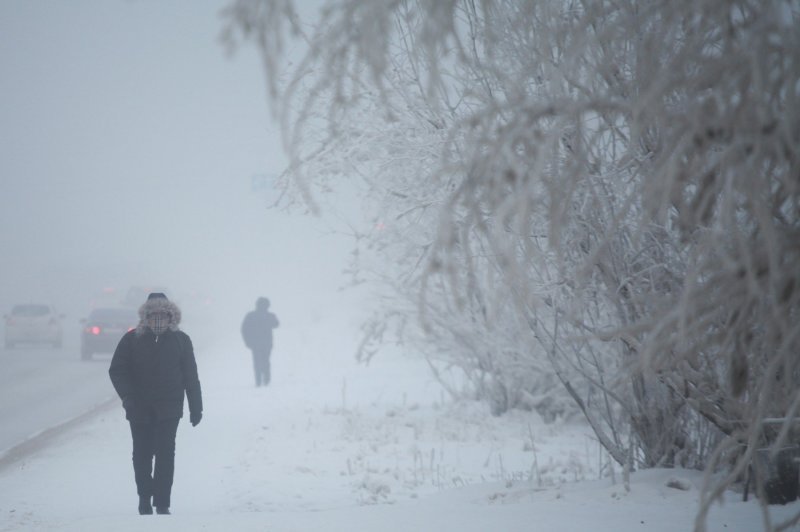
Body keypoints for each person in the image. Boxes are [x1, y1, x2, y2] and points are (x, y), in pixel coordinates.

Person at [109, 292, 203, 516]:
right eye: (153, 315)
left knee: (165, 454)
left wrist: (196, 406)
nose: (158, 319)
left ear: (171, 316)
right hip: (138, 407)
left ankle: (162, 503)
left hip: (170, 408)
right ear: (145, 317)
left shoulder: (181, 340)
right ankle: (144, 497)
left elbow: (191, 376)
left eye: (163, 314)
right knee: (141, 454)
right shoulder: (131, 339)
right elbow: (117, 370)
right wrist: (128, 396)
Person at [241, 296, 280, 387]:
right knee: (266, 361)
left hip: (255, 344)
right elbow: (276, 324)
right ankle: (266, 379)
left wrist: (247, 341)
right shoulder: (269, 315)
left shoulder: (250, 315)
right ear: (267, 305)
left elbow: (244, 329)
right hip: (267, 343)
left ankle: (258, 381)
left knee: (257, 361)